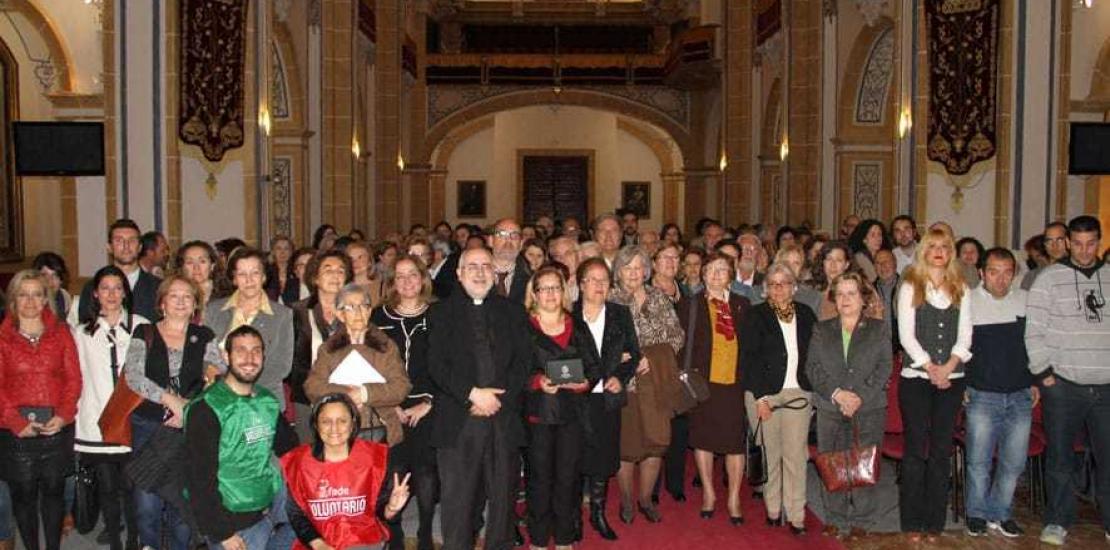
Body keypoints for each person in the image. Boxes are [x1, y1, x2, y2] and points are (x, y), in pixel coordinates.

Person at [427, 246, 531, 550]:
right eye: (472, 266)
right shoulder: (440, 312)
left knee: (502, 504)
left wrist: (499, 399)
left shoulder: (512, 311)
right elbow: (436, 364)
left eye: (486, 266)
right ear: (458, 274)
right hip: (459, 421)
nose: (480, 272)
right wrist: (472, 394)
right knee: (458, 506)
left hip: (503, 418)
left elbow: (523, 361)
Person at [1027, 215, 1110, 546]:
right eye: (1077, 243)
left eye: (1091, 243)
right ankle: (1059, 521)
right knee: (1060, 459)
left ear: (1099, 242)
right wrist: (1044, 373)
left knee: (1108, 460)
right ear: (1067, 243)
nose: (1085, 250)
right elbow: (1034, 331)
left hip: (1106, 386)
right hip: (1063, 385)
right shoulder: (1049, 279)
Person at [124, 275, 221, 550]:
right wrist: (170, 399)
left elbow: (217, 373)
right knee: (146, 502)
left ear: (195, 305)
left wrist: (189, 407)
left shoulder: (204, 336)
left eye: (187, 296)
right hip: (149, 425)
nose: (180, 302)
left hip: (189, 429)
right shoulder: (144, 333)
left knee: (181, 503)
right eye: (174, 296)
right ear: (162, 302)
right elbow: (133, 376)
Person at [185, 325, 295, 550]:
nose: (249, 358)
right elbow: (199, 479)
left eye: (256, 351)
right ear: (226, 356)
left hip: (268, 507)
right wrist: (223, 533)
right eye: (241, 351)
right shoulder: (207, 408)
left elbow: (292, 450)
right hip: (231, 522)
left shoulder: (267, 401)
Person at [896, 228, 973, 541]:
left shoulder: (961, 287)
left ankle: (934, 522)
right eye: (933, 247)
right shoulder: (910, 285)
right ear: (924, 251)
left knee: (941, 450)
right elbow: (906, 336)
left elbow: (966, 335)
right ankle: (912, 520)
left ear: (950, 252)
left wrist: (949, 367)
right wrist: (930, 367)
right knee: (915, 449)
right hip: (916, 377)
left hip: (951, 379)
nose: (939, 251)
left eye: (944, 247)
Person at [805, 272, 893, 538]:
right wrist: (837, 395)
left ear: (863, 298)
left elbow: (884, 367)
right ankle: (834, 516)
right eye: (840, 294)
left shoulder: (878, 329)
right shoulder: (822, 328)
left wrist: (858, 397)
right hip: (831, 407)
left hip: (868, 408)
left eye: (851, 293)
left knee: (864, 463)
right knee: (833, 462)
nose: (845, 299)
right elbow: (813, 368)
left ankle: (862, 519)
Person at [0, 270, 81, 550]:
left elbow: (74, 379)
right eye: (23, 294)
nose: (30, 301)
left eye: (37, 294)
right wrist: (14, 421)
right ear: (13, 300)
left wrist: (63, 415)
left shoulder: (61, 333)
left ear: (46, 299)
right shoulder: (2, 337)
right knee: (22, 494)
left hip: (56, 428)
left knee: (54, 492)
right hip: (16, 432)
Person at [73, 266, 148, 550]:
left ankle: (133, 539)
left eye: (118, 288)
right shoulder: (82, 332)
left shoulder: (141, 325)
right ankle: (116, 541)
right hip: (97, 420)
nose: (112, 294)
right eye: (105, 288)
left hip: (132, 419)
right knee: (107, 487)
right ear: (95, 293)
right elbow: (78, 376)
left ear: (125, 293)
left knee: (130, 486)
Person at [523, 266, 597, 550]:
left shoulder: (576, 325)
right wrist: (538, 380)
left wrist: (584, 384)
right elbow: (513, 370)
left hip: (572, 414)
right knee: (539, 480)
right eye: (545, 288)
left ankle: (565, 538)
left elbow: (593, 367)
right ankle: (540, 540)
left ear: (563, 292)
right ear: (535, 293)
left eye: (556, 287)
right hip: (537, 414)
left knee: (568, 478)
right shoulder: (524, 328)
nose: (551, 294)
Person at [610, 246, 684, 524]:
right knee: (627, 447)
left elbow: (677, 336)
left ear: (647, 270)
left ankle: (645, 499)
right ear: (618, 271)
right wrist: (623, 357)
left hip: (656, 381)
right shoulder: (610, 298)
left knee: (657, 443)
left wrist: (650, 357)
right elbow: (600, 339)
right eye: (628, 267)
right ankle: (627, 501)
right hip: (625, 383)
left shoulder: (658, 297)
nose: (634, 273)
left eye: (639, 267)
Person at [963, 248, 1034, 538]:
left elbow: (1035, 346)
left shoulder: (1026, 301)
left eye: (1007, 272)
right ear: (982, 273)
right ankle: (977, 513)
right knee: (979, 461)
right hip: (982, 394)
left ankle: (1001, 512)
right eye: (994, 271)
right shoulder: (968, 302)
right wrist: (962, 386)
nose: (1000, 279)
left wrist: (1035, 382)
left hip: (1019, 394)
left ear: (1014, 273)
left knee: (1014, 462)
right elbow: (960, 348)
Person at [281, 393, 413, 549]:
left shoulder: (373, 459)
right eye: (326, 421)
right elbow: (297, 514)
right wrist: (318, 544)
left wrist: (390, 509)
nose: (334, 428)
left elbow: (378, 509)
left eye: (342, 421)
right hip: (317, 542)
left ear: (353, 424)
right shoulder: (300, 462)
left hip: (363, 540)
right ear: (316, 425)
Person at [741, 262, 816, 534]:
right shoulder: (755, 315)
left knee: (795, 456)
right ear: (765, 290)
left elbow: (815, 354)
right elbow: (747, 359)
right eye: (773, 284)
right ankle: (773, 510)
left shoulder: (806, 314)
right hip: (764, 394)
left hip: (799, 393)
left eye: (784, 282)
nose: (779, 288)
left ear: (794, 287)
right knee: (771, 454)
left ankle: (797, 514)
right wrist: (759, 398)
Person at [371, 255, 438, 550]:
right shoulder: (379, 317)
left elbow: (449, 363)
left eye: (413, 274)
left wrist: (429, 403)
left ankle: (425, 533)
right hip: (391, 406)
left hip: (429, 405)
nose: (407, 281)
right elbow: (369, 363)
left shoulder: (439, 314)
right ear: (392, 282)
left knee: (425, 472)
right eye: (400, 276)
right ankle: (394, 534)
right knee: (395, 470)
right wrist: (389, 405)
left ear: (423, 277)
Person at [679, 252, 751, 525]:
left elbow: (751, 347)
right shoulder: (691, 304)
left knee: (734, 442)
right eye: (711, 270)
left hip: (734, 384)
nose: (717, 275)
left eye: (722, 270)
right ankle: (709, 493)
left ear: (731, 275)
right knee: (704, 438)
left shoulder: (743, 304)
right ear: (703, 274)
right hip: (703, 384)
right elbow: (680, 344)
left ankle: (733, 497)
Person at [572, 258, 641, 541]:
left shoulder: (619, 313)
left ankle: (598, 513)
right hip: (577, 399)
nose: (599, 285)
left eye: (604, 280)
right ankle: (573, 517)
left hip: (608, 399)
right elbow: (565, 358)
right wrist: (605, 367)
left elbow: (634, 353)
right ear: (581, 284)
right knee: (574, 459)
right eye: (593, 279)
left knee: (603, 458)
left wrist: (620, 375)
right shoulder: (568, 315)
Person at [304, 283, 411, 446]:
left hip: (381, 427)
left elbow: (401, 386)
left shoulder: (385, 346)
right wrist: (347, 394)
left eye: (363, 306)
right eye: (351, 307)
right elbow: (312, 387)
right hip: (340, 432)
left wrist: (365, 393)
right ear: (340, 314)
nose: (359, 312)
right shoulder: (329, 349)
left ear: (369, 311)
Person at [205, 248, 295, 410]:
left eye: (255, 273)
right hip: (220, 398)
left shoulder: (282, 315)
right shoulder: (214, 310)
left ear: (264, 277)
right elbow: (204, 353)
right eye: (242, 274)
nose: (249, 280)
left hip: (263, 398)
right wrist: (212, 373)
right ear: (234, 279)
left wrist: (240, 388)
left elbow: (281, 365)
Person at [288, 251, 352, 442]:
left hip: (348, 397)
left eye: (341, 271)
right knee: (310, 457)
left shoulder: (357, 309)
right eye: (328, 270)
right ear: (315, 277)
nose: (335, 275)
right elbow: (289, 358)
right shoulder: (296, 311)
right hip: (307, 398)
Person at [73, 219, 161, 325]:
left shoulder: (158, 287)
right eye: (119, 240)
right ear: (109, 247)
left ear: (140, 247)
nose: (126, 246)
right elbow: (86, 329)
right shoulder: (92, 287)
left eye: (132, 240)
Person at [175, 240, 233, 317]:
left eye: (202, 261)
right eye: (190, 262)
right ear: (182, 267)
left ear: (212, 266)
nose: (196, 267)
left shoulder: (226, 297)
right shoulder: (172, 295)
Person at [488, 218, 532, 303]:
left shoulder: (531, 278)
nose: (508, 240)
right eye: (502, 235)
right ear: (490, 241)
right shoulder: (475, 274)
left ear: (521, 244)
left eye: (514, 235)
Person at [1021, 221, 1070, 290]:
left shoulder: (1078, 271)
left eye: (1059, 240)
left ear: (1069, 241)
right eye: (1049, 241)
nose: (1054, 246)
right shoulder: (1033, 276)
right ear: (1045, 245)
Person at [32, 252, 72, 320]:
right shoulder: (29, 302)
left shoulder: (65, 297)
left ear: (61, 280)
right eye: (44, 275)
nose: (50, 281)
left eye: (55, 275)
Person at [266, 236, 300, 305]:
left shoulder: (296, 272)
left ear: (291, 252)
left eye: (286, 249)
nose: (282, 252)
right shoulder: (267, 272)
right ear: (273, 252)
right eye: (278, 248)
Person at [548, 236, 581, 304]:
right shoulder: (548, 286)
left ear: (579, 255)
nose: (563, 259)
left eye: (568, 253)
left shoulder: (588, 281)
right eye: (557, 256)